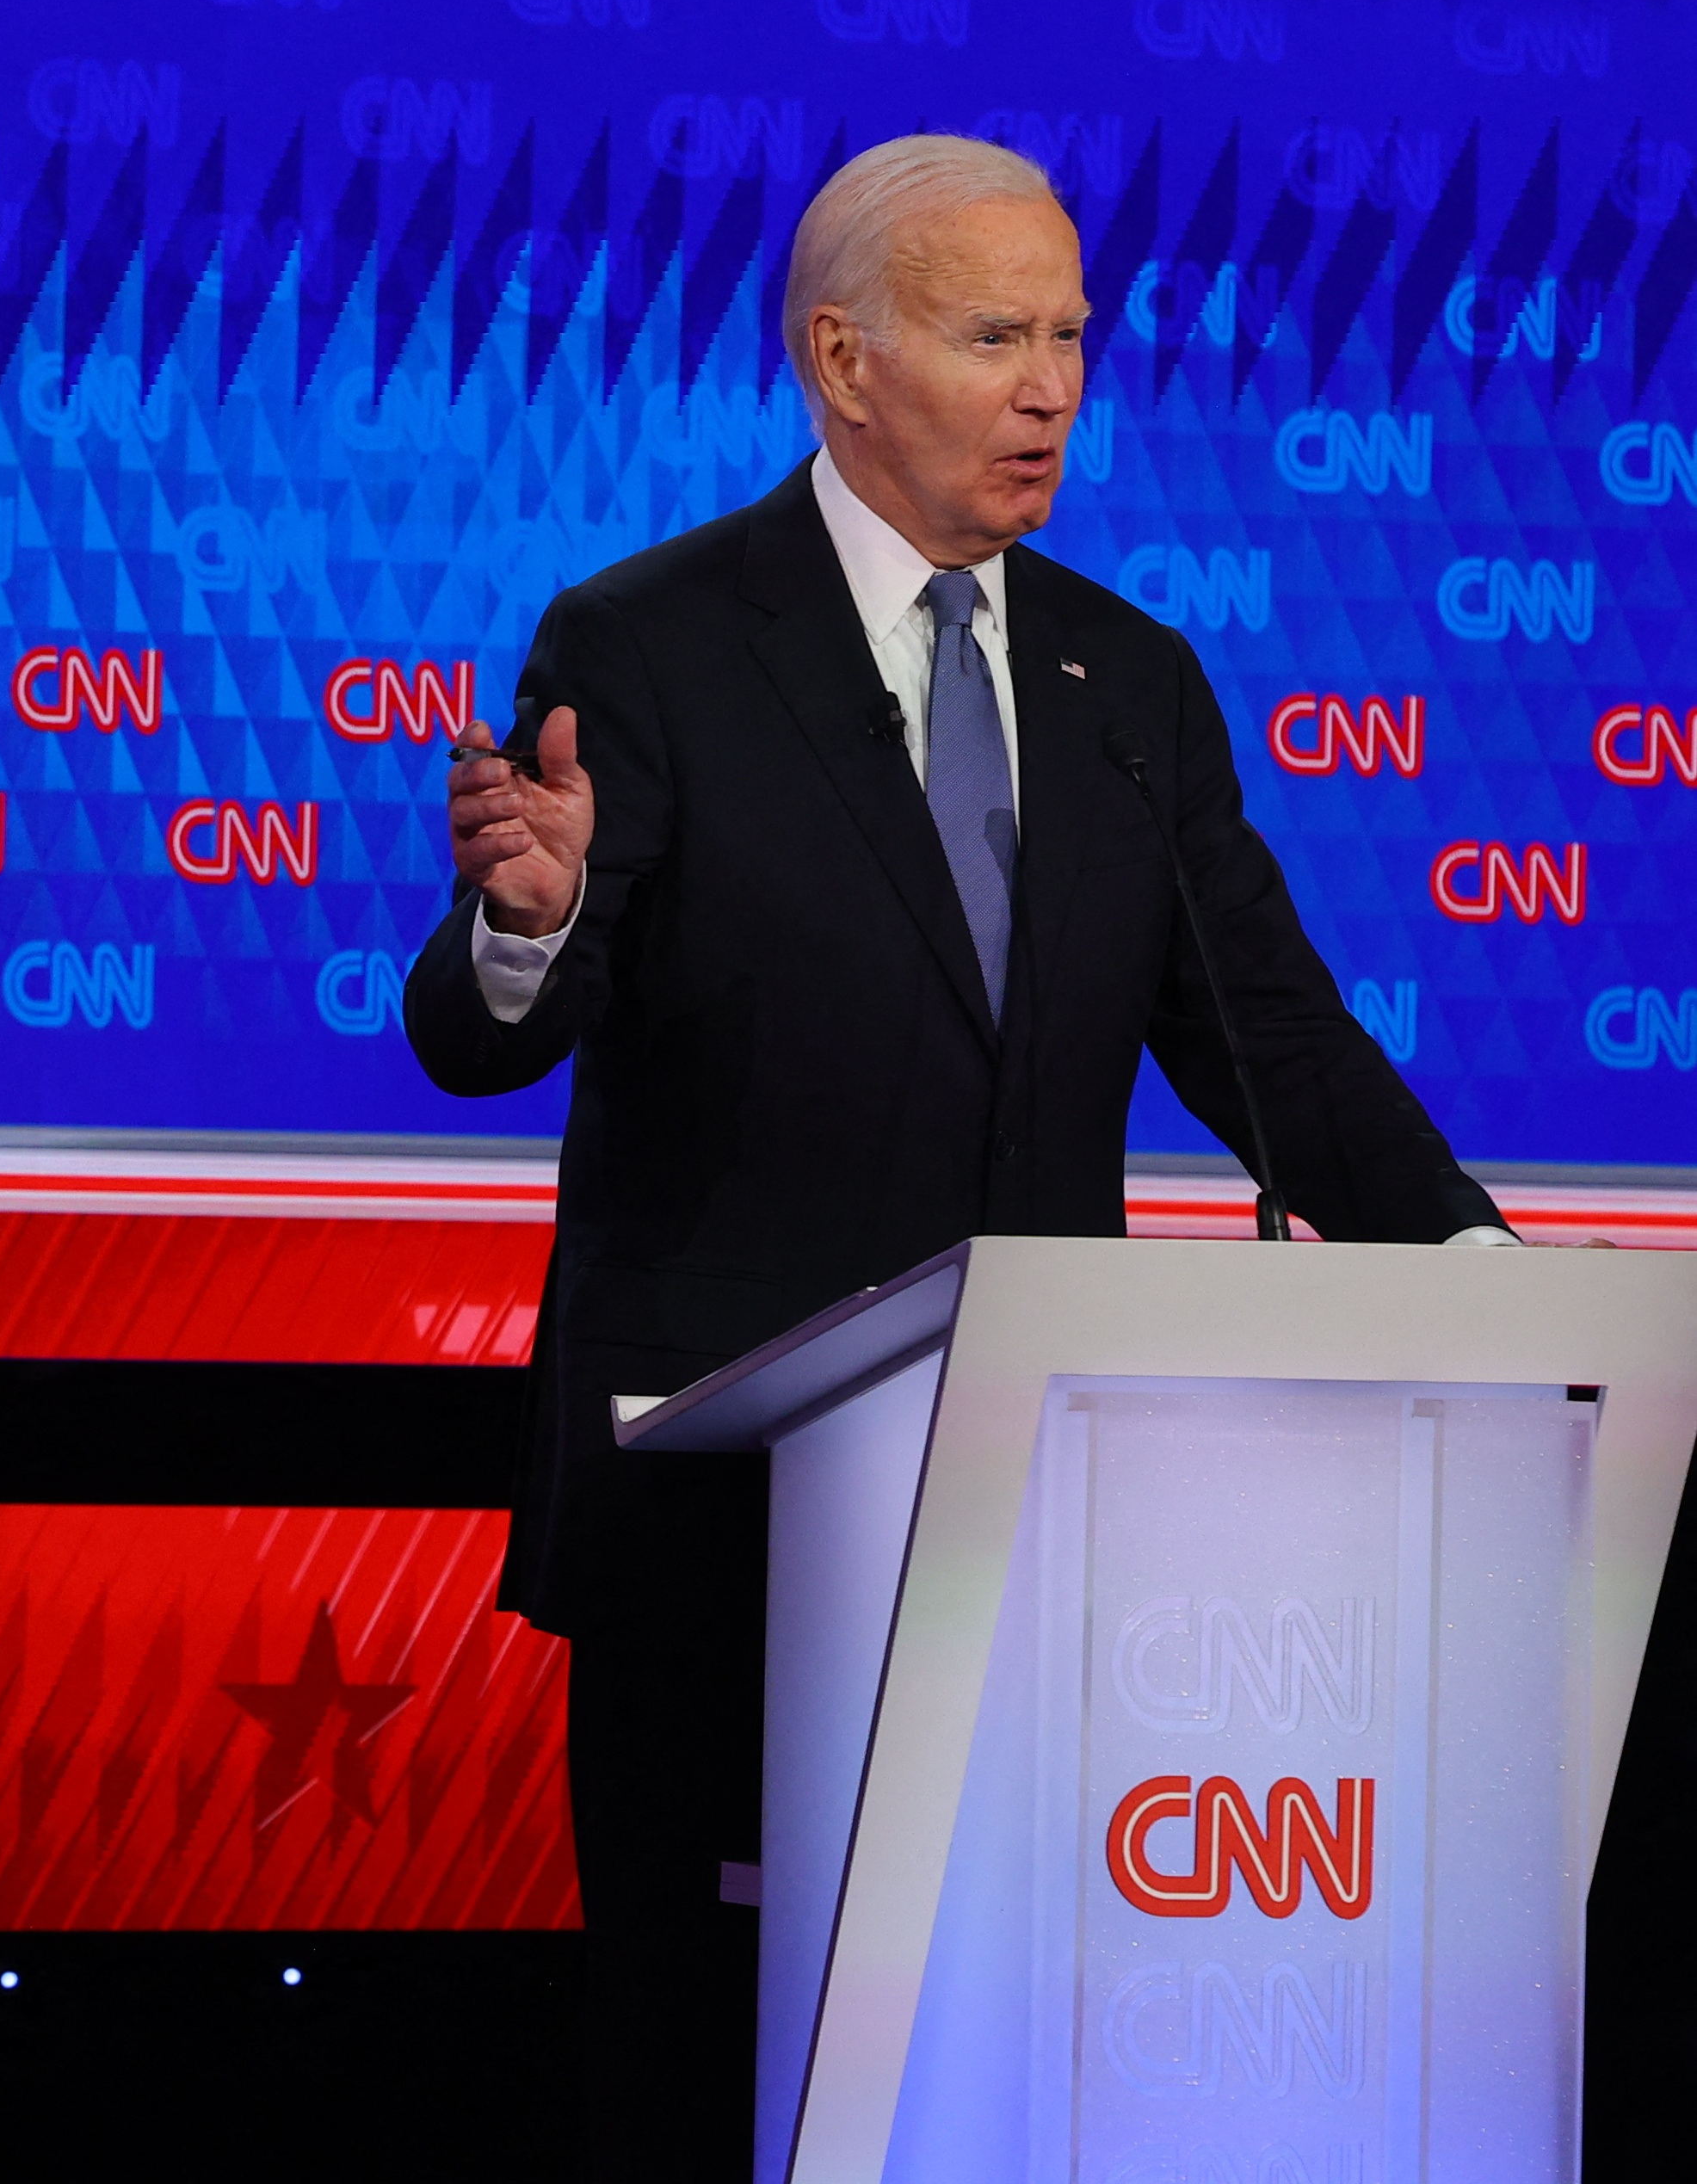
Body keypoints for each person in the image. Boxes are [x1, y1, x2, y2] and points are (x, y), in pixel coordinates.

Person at [403, 133, 1509, 2181]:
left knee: (995, 2088)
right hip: (726, 1536)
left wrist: (1474, 1268)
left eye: (1073, 334)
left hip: (1035, 1527)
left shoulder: (1130, 684)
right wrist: (530, 917)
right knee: (707, 2081)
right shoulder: (647, 643)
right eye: (995, 334)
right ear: (842, 359)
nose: (1053, 385)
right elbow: (491, 1033)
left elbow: (1267, 1038)